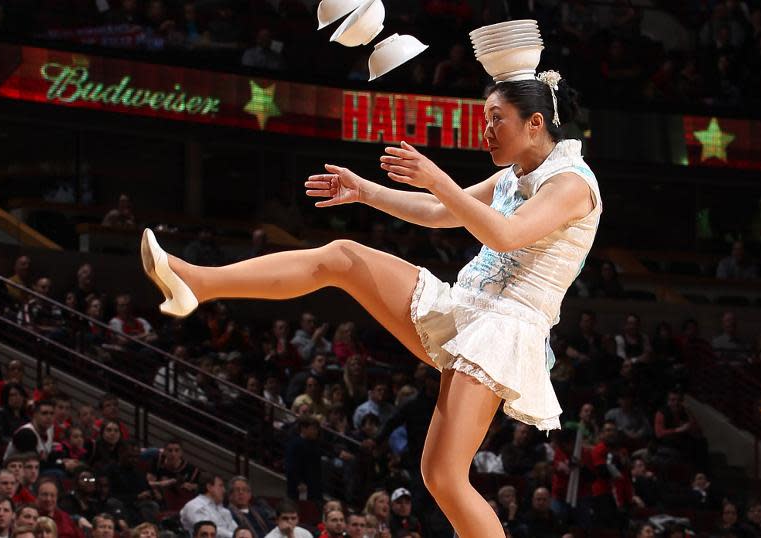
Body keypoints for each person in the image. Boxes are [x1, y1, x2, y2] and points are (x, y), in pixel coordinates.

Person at [140, 68, 597, 538]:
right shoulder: (514, 175)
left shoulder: (571, 185)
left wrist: (437, 179)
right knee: (343, 257)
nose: (484, 130)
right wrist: (365, 192)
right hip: (466, 307)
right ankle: (197, 282)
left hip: (505, 331)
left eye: (496, 119)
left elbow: (504, 235)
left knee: (443, 477)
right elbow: (444, 212)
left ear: (535, 123)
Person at [179, 474, 237, 538]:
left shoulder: (225, 511)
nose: (224, 490)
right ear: (209, 487)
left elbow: (236, 530)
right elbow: (206, 530)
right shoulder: (194, 505)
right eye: (220, 486)